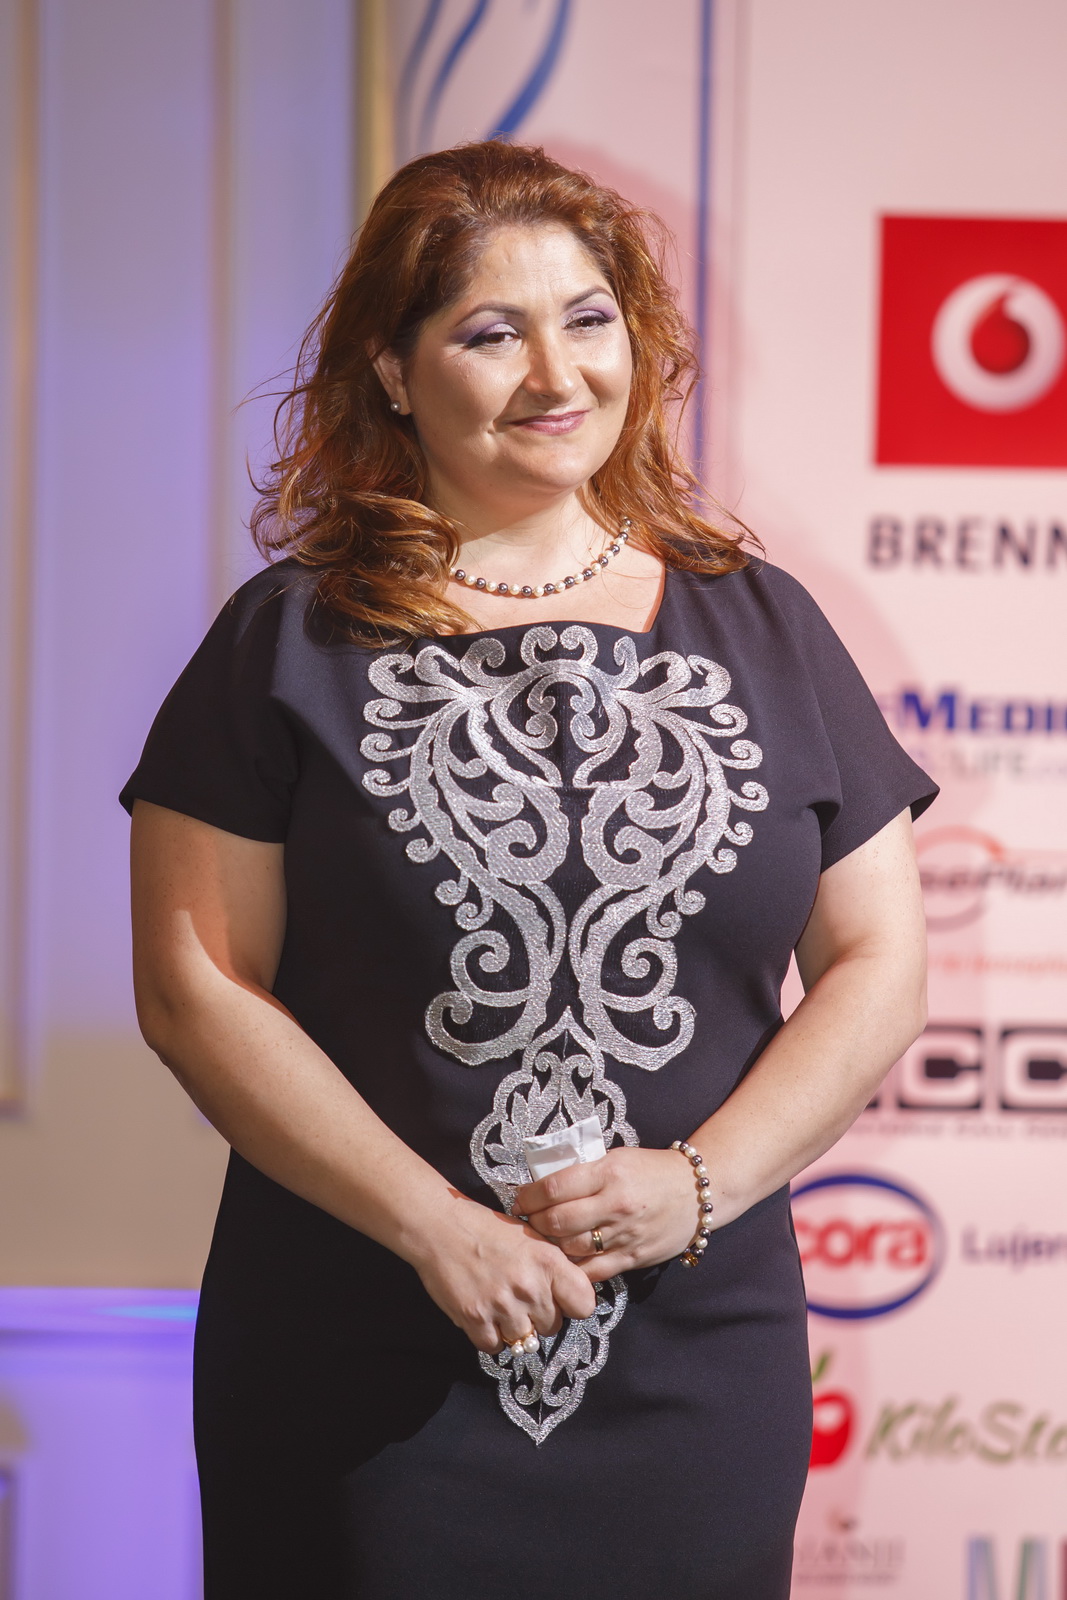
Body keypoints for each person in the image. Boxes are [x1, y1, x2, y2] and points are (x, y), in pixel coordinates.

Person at [122, 141, 936, 1599]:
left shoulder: (766, 628)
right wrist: (433, 1227)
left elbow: (879, 963)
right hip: (366, 1355)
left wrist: (700, 1187)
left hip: (697, 1359)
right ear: (392, 369)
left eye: (590, 319)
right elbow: (198, 992)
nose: (558, 375)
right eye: (492, 333)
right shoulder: (287, 640)